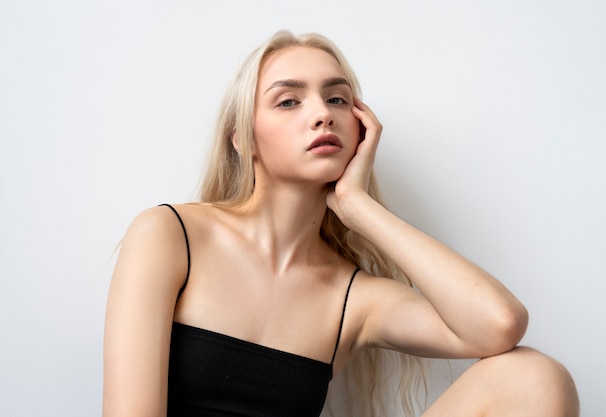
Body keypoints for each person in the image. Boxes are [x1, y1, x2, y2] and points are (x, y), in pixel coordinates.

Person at [103, 30, 579, 417]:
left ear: (361, 130)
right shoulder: (170, 236)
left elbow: (500, 323)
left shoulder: (354, 299)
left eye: (337, 99)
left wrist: (358, 206)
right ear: (243, 139)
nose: (321, 115)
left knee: (536, 376)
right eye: (289, 101)